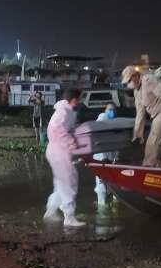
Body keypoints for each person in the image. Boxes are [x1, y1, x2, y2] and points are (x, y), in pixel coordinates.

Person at [42, 88, 86, 227]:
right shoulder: (63, 111)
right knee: (69, 182)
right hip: (59, 151)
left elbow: (63, 129)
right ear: (74, 100)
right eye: (79, 99)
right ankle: (69, 217)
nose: (79, 102)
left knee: (61, 183)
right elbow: (58, 130)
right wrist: (71, 143)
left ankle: (51, 211)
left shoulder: (65, 110)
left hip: (56, 150)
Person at [93, 103, 118, 207]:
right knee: (101, 184)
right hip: (101, 159)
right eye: (109, 109)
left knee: (113, 183)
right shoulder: (102, 118)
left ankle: (113, 205)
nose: (111, 112)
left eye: (113, 110)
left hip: (110, 159)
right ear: (105, 110)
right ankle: (102, 207)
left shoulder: (114, 123)